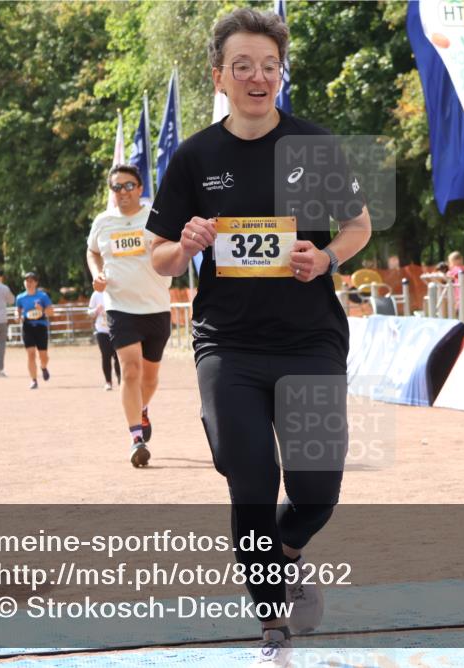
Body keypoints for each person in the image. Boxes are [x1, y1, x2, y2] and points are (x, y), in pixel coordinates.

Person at [147, 8, 372, 666]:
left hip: (311, 344)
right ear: (219, 76)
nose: (257, 76)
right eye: (242, 65)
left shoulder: (315, 145)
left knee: (316, 493)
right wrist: (183, 245)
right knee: (250, 479)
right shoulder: (195, 157)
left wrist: (327, 258)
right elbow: (158, 257)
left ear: (281, 73)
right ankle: (272, 627)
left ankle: (287, 550)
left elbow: (357, 227)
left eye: (269, 66)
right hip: (229, 346)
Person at [87, 164, 172, 466]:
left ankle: (143, 409)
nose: (122, 192)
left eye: (127, 186)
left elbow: (173, 250)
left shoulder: (156, 218)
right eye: (116, 187)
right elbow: (93, 251)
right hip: (119, 307)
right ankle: (136, 438)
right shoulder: (103, 222)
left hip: (156, 307)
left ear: (139, 188)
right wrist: (97, 274)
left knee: (149, 378)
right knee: (130, 370)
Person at [15, 272, 53, 389]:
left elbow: (51, 313)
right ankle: (34, 380)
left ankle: (43, 367)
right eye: (27, 281)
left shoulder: (43, 296)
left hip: (41, 326)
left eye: (31, 281)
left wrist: (41, 309)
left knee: (44, 356)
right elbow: (18, 310)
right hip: (28, 327)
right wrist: (17, 316)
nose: (29, 283)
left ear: (36, 283)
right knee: (31, 354)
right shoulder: (20, 297)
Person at [87, 288, 121, 391]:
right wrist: (96, 310)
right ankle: (108, 382)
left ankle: (121, 381)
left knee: (118, 356)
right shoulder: (96, 294)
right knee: (106, 356)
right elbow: (89, 312)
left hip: (117, 329)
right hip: (102, 330)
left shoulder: (117, 291)